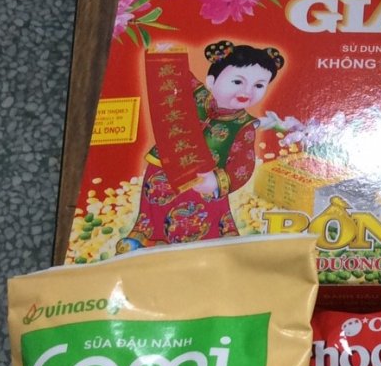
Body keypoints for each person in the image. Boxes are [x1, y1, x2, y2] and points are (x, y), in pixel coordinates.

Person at [118, 41, 283, 250]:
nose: (247, 91)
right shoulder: (197, 95)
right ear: (211, 81)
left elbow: (244, 164)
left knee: (196, 218)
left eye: (259, 85)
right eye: (237, 81)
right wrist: (164, 57)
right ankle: (143, 235)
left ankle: (202, 247)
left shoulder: (244, 125)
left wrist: (217, 182)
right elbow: (176, 77)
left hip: (205, 180)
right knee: (154, 202)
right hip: (165, 164)